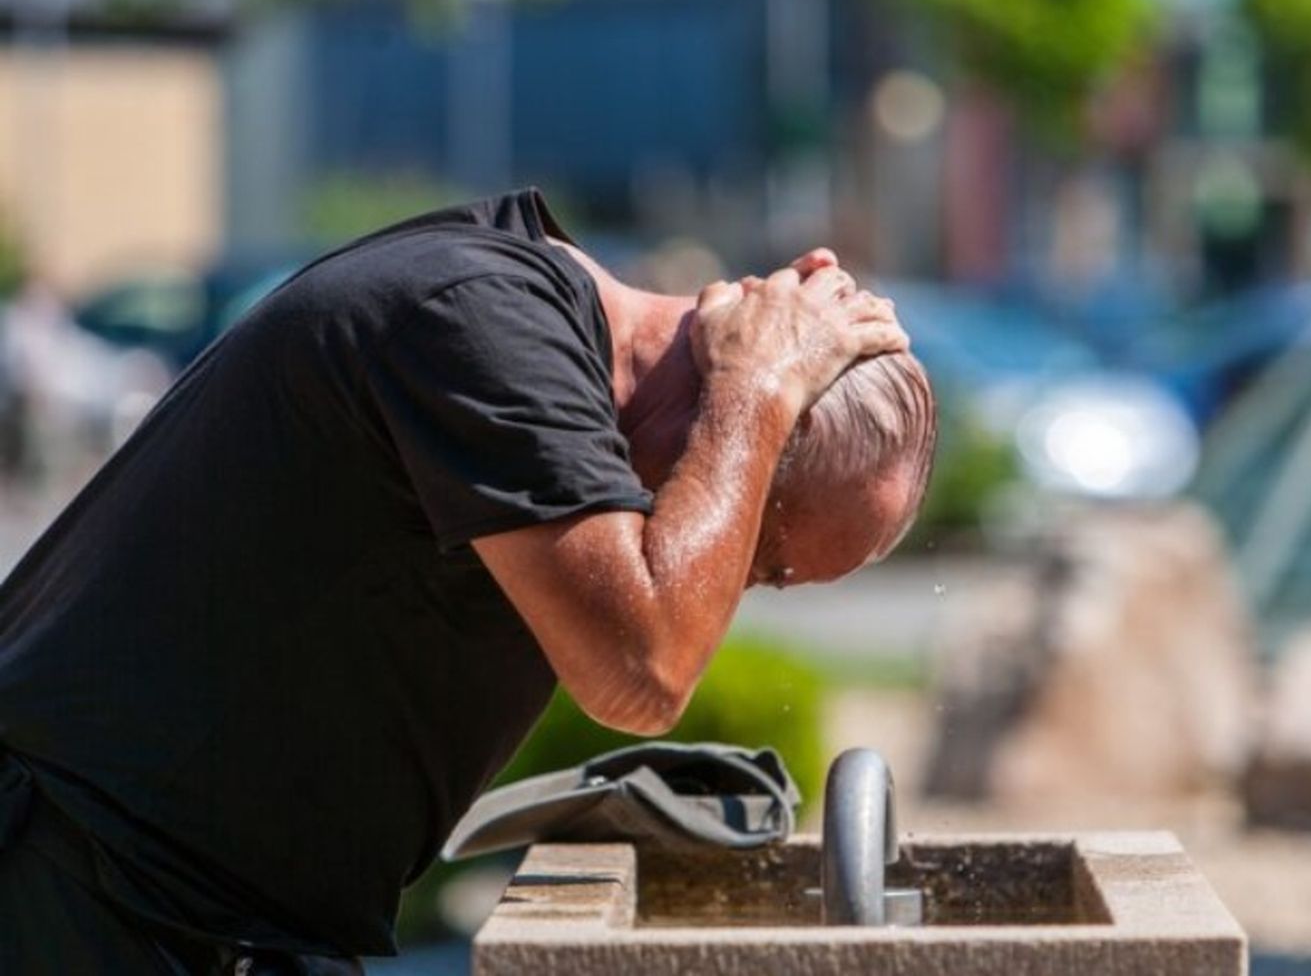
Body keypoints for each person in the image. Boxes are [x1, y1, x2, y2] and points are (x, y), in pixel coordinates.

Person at [0, 189, 935, 973]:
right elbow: (643, 670)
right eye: (762, 559)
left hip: (183, 906)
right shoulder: (483, 322)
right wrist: (757, 394)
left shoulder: (524, 340)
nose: (728, 582)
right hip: (84, 884)